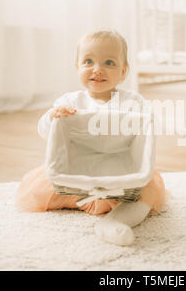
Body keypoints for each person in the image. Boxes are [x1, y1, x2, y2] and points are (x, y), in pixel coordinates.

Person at [15, 29, 165, 246]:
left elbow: (149, 132)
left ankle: (115, 221)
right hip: (77, 172)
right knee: (47, 184)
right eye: (88, 61)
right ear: (77, 67)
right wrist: (53, 117)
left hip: (121, 172)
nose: (97, 69)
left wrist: (149, 118)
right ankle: (85, 202)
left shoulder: (134, 102)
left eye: (109, 63)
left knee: (147, 191)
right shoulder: (69, 102)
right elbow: (47, 133)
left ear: (123, 71)